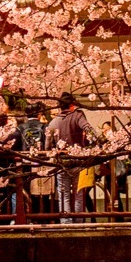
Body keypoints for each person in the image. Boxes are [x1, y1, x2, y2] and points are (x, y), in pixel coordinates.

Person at [46, 92, 97, 223]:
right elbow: (89, 130)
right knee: (79, 194)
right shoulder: (77, 116)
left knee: (64, 194)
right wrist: (96, 143)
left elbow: (47, 146)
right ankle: (79, 222)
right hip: (78, 160)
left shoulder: (53, 123)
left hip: (62, 162)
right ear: (72, 104)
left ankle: (65, 223)